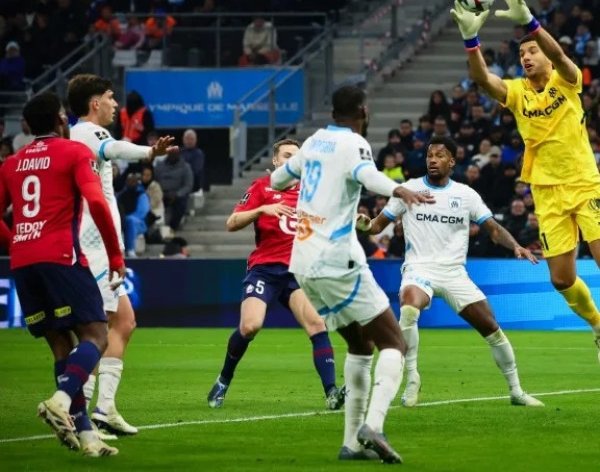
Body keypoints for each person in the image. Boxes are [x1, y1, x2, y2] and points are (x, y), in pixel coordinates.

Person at [450, 0, 600, 370]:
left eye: (532, 51)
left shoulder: (568, 81)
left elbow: (561, 55)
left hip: (584, 184)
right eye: (521, 53)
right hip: (546, 194)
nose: (526, 56)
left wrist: (530, 24)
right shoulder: (515, 93)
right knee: (562, 280)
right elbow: (483, 79)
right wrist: (470, 38)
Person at [269, 85, 434, 463]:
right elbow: (367, 175)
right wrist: (400, 190)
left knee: (361, 345)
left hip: (304, 263)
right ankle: (373, 425)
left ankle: (351, 444)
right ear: (361, 110)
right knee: (395, 342)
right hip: (338, 260)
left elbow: (279, 181)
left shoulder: (313, 141)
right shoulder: (353, 143)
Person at [359, 136, 542, 408]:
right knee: (409, 308)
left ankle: (516, 391)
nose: (433, 159)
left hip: (455, 273)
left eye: (440, 155)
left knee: (492, 329)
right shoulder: (408, 189)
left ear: (452, 161)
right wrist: (364, 224)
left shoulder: (465, 195)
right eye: (430, 155)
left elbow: (492, 228)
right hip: (419, 268)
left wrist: (515, 245)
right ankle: (412, 379)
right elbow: (377, 226)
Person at [0, 92, 125, 457]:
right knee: (97, 334)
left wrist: (16, 243)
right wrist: (116, 254)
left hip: (23, 261)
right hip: (61, 256)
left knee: (60, 345)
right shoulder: (74, 152)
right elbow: (97, 203)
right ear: (59, 120)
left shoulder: (10, 164)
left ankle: (86, 436)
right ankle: (59, 399)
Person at [67, 74, 178, 437]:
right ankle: (76, 411)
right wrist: (148, 152)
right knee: (95, 330)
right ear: (94, 103)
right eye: (111, 98)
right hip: (93, 245)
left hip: (99, 244)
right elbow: (114, 149)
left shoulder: (85, 135)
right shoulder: (85, 132)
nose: (117, 105)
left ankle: (104, 408)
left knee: (123, 323)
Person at [207, 139, 345, 411]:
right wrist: (261, 210)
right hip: (265, 271)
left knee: (317, 325)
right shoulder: (261, 188)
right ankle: (224, 379)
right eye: (287, 155)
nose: (293, 160)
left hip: (297, 274)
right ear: (275, 161)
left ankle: (331, 392)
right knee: (250, 326)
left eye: (297, 156)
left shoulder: (310, 193)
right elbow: (231, 223)